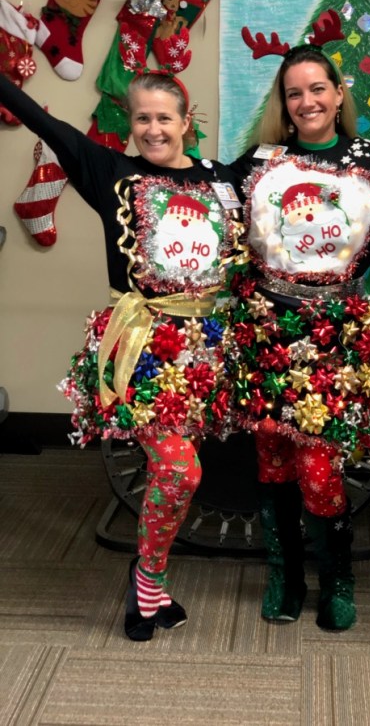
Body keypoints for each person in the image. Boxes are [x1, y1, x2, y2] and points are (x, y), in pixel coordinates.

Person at [0, 69, 244, 641]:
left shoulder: (222, 179)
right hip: (142, 346)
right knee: (181, 471)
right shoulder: (111, 171)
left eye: (164, 118)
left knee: (173, 475)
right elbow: (44, 120)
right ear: (129, 124)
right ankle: (148, 579)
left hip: (205, 350)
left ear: (187, 121)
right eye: (142, 118)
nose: (153, 129)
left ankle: (150, 577)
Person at [226, 38, 370, 631]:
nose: (307, 101)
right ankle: (284, 574)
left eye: (318, 88)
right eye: (294, 93)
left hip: (335, 336)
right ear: (284, 103)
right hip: (269, 332)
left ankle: (337, 579)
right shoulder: (260, 163)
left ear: (339, 93)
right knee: (272, 462)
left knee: (321, 468)